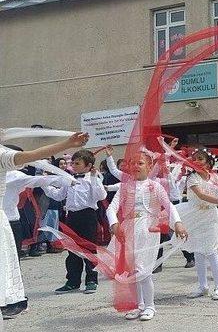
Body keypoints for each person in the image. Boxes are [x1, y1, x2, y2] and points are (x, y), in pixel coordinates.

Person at [0, 132, 89, 319]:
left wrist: (67, 144)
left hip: (8, 223)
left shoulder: (5, 161)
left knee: (8, 266)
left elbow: (34, 159)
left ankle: (16, 302)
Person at [106, 152, 187, 321]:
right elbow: (111, 208)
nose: (136, 166)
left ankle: (150, 306)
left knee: (143, 270)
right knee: (131, 270)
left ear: (149, 167)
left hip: (147, 229)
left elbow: (169, 205)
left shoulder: (155, 186)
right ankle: (138, 305)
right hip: (127, 231)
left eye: (140, 163)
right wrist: (114, 223)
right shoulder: (124, 187)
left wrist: (177, 223)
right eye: (133, 163)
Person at [45, 149, 108, 295]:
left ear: (88, 166)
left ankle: (92, 280)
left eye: (77, 163)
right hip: (72, 217)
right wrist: (44, 184)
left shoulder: (93, 179)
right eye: (72, 162)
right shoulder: (69, 180)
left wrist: (93, 178)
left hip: (87, 216)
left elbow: (101, 195)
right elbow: (58, 195)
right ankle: (72, 281)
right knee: (72, 250)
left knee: (89, 249)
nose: (73, 165)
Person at [180, 149, 218, 301]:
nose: (197, 161)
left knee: (211, 251)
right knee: (198, 252)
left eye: (200, 159)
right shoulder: (192, 178)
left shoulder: (214, 177)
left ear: (208, 162)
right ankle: (202, 286)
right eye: (195, 159)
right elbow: (202, 195)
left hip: (210, 216)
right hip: (194, 216)